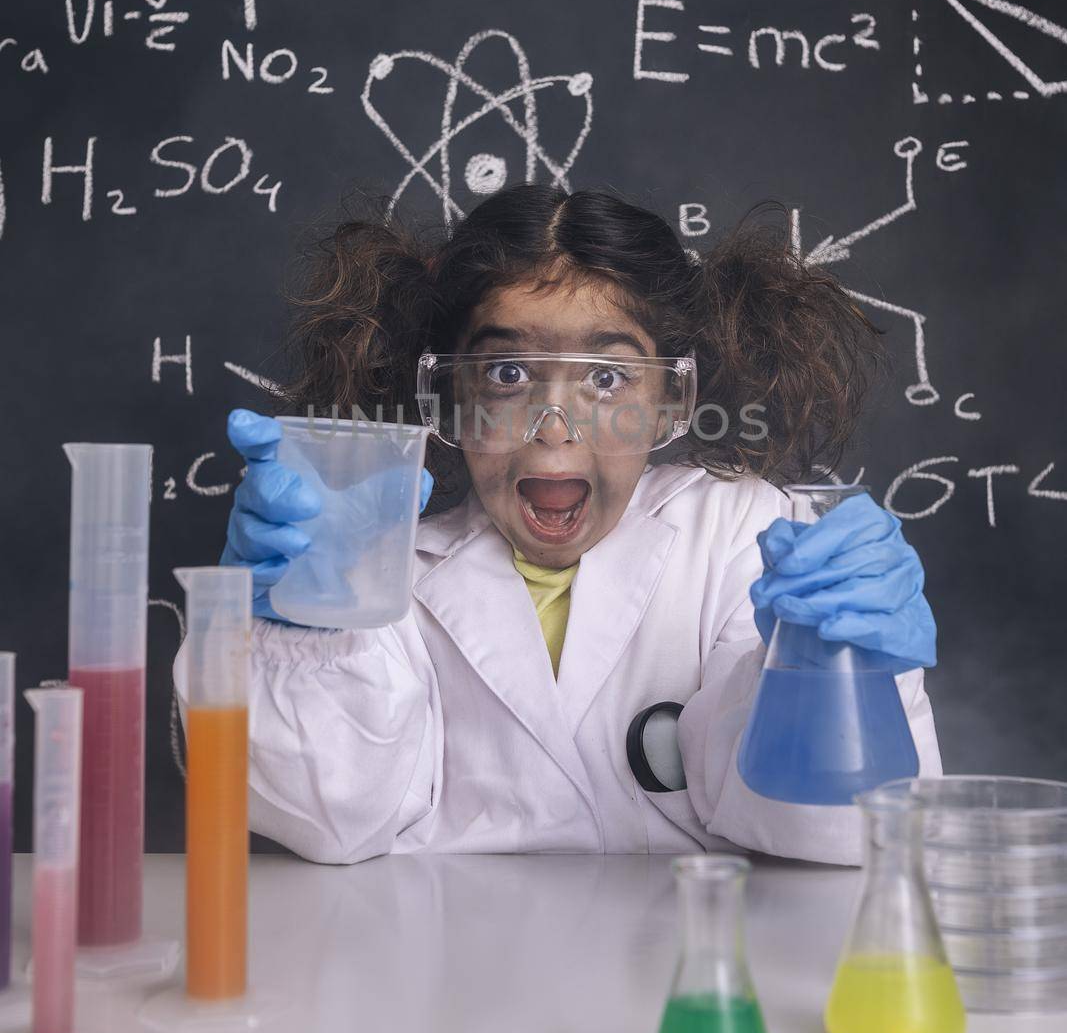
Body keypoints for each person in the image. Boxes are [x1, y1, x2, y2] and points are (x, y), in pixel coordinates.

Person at [173, 184, 940, 864]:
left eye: (607, 377)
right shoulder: (380, 567)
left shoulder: (744, 532)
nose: (554, 429)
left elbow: (831, 831)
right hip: (437, 978)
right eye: (507, 375)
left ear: (671, 402)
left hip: (679, 964)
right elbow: (330, 821)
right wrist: (300, 632)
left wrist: (831, 669)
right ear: (448, 396)